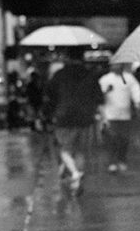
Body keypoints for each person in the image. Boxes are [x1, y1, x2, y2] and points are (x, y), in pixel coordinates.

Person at [44, 48, 105, 194]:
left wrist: (48, 115)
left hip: (64, 117)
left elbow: (50, 96)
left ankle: (75, 173)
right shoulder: (90, 75)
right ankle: (76, 182)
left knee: (65, 149)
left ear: (67, 58)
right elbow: (99, 98)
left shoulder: (59, 75)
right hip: (85, 118)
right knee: (80, 151)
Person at [98, 62, 140, 172]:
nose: (116, 67)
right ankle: (112, 161)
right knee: (111, 138)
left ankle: (122, 159)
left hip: (125, 114)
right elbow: (98, 94)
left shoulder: (129, 78)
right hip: (110, 114)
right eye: (114, 65)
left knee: (124, 139)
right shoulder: (105, 79)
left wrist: (137, 103)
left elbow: (135, 90)